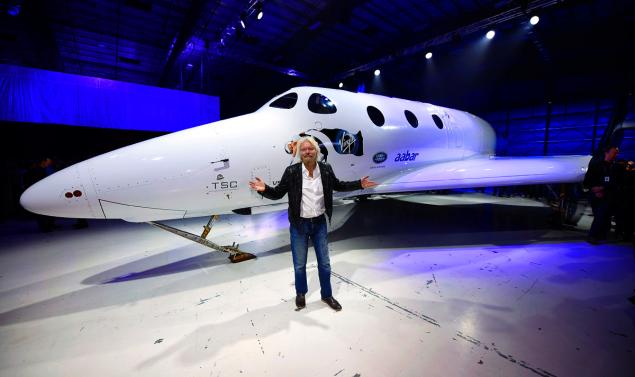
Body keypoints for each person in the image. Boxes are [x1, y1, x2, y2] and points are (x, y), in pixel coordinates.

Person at [249, 136, 377, 311]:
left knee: (324, 263)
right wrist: (265, 189)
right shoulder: (292, 171)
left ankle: (327, 295)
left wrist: (359, 184)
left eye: (310, 149)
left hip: (319, 224)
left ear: (316, 151)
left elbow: (338, 185)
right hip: (298, 225)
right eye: (303, 149)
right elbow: (278, 193)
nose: (307, 152)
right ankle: (301, 293)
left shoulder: (325, 169)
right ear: (300, 153)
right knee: (299, 264)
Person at [583, 145, 619, 244]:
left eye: (617, 153)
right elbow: (587, 181)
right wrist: (595, 189)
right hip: (596, 195)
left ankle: (601, 235)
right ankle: (592, 236)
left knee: (605, 216)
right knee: (599, 215)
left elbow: (615, 182)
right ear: (606, 153)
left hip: (608, 194)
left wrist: (602, 188)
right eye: (614, 152)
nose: (616, 154)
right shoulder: (596, 165)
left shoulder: (615, 167)